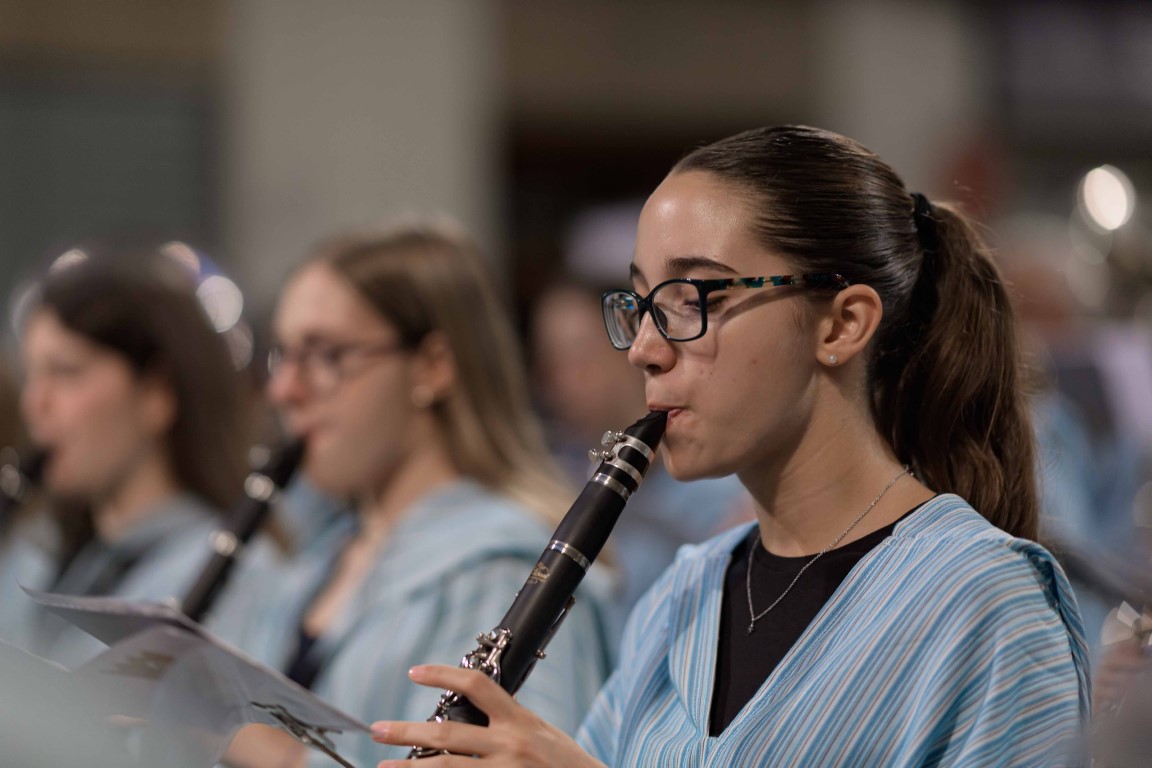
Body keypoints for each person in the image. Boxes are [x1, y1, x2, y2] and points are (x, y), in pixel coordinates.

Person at [371, 125, 1090, 766]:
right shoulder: (684, 592)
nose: (644, 349)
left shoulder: (984, 600)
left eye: (695, 299)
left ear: (841, 324)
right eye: (641, 303)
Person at [214, 221, 615, 768]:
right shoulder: (320, 553)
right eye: (283, 355)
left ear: (431, 366)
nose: (284, 390)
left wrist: (262, 750)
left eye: (326, 355)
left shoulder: (507, 572)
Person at [0, 251, 246, 667]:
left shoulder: (232, 579)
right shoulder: (46, 559)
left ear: (155, 392)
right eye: (31, 376)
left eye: (66, 371)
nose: (35, 403)